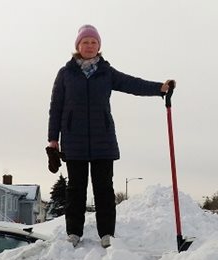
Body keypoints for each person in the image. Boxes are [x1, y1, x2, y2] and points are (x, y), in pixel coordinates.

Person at [47, 24, 174, 248]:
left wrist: (159, 88)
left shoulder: (106, 72)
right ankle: (73, 233)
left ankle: (107, 233)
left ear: (99, 46)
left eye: (93, 42)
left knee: (104, 188)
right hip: (73, 140)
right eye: (85, 42)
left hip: (103, 140)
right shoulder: (66, 74)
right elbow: (55, 107)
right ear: (78, 46)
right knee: (75, 189)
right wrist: (52, 140)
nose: (89, 46)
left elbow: (131, 83)